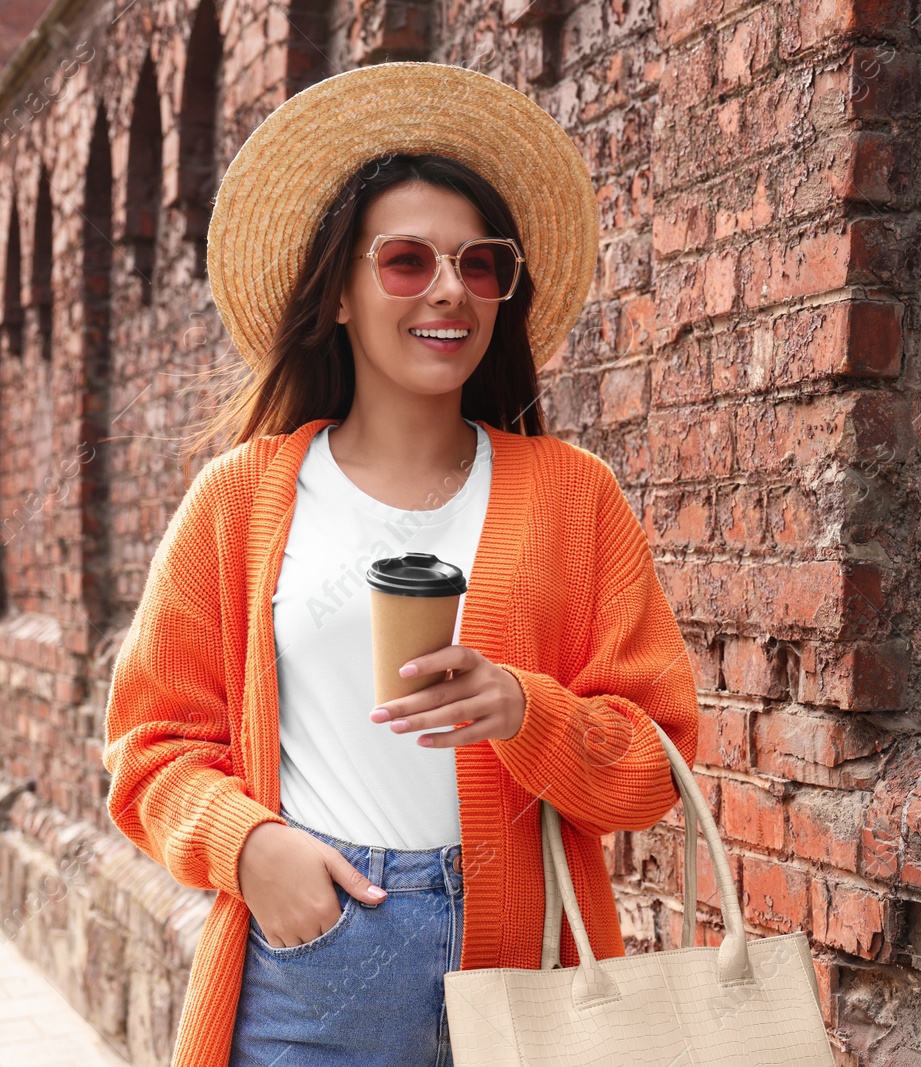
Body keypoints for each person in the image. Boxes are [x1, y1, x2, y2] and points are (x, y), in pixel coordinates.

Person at [100, 62, 699, 1067]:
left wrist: (525, 707)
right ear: (337, 289)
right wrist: (251, 847)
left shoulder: (571, 493)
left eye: (480, 264)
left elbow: (653, 764)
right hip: (316, 963)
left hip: (529, 965)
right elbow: (150, 743)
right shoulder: (241, 497)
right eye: (407, 261)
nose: (449, 292)